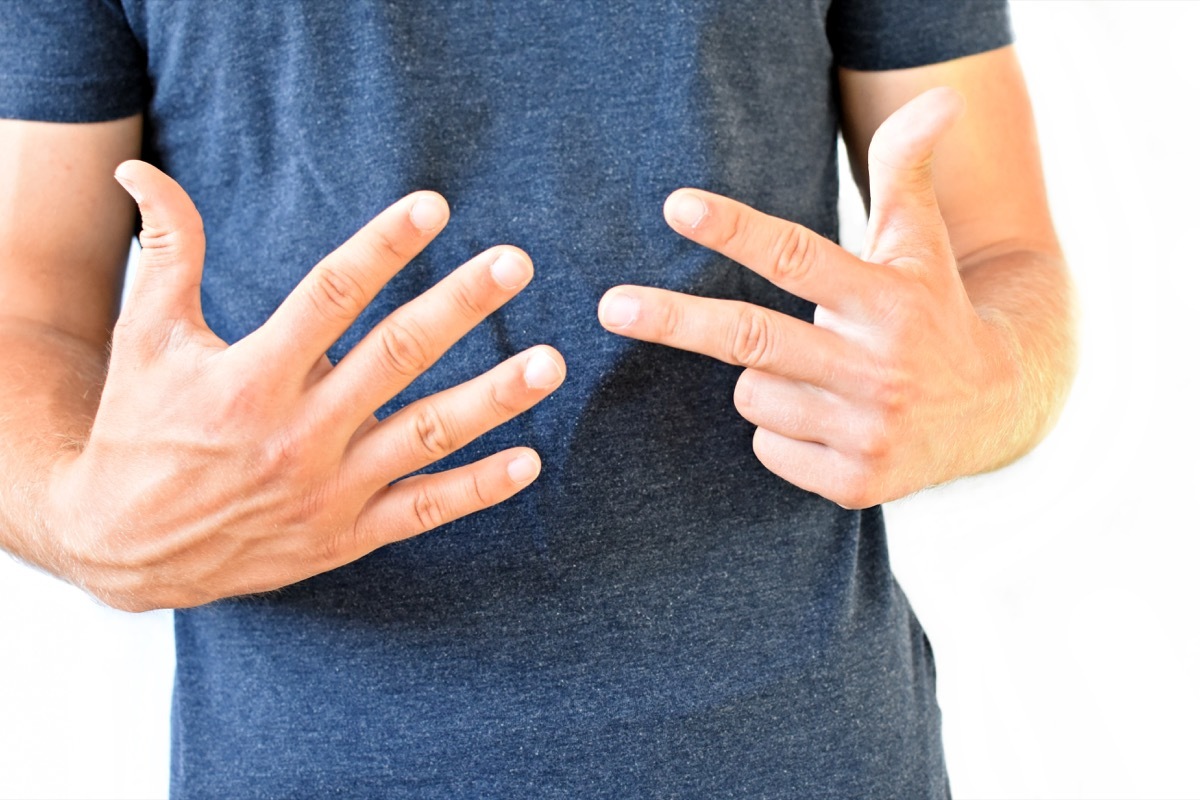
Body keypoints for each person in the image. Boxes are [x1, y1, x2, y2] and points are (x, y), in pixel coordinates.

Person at [0, 1, 1074, 796]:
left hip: (805, 750)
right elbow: (24, 302)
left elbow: (1001, 249)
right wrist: (76, 512)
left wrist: (983, 387)